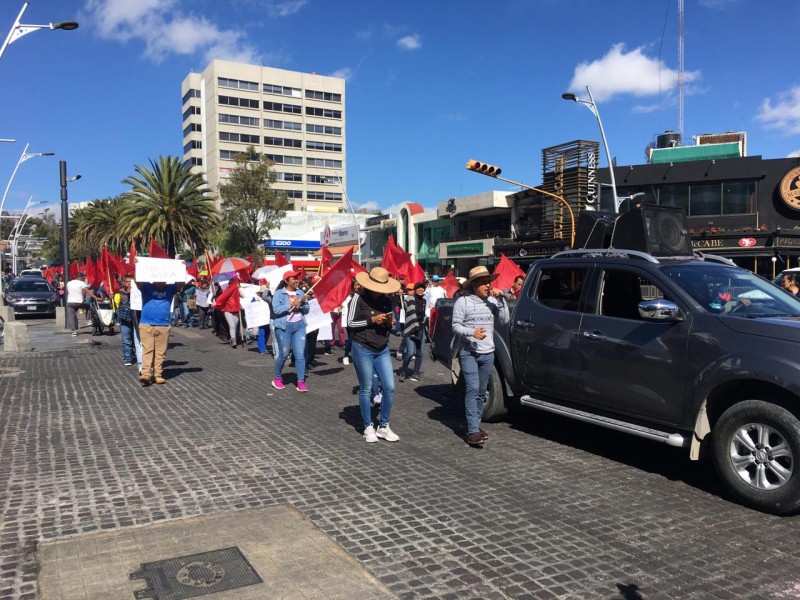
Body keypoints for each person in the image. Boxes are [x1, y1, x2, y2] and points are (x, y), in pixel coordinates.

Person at [452, 265, 510, 447]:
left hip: (488, 354)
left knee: (480, 392)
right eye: (484, 282)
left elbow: (505, 319)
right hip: (468, 352)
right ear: (474, 284)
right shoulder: (463, 302)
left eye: (489, 282)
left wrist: (501, 300)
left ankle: (476, 425)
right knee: (472, 389)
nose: (488, 285)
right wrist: (471, 332)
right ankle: (473, 431)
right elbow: (455, 326)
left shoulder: (492, 302)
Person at [347, 266, 402, 443]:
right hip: (362, 346)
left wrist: (389, 322)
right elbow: (350, 323)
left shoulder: (387, 300)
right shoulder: (358, 298)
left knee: (389, 387)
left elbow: (388, 323)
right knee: (366, 387)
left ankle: (384, 426)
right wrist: (372, 319)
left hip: (382, 347)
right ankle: (368, 426)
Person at [271, 270, 310, 392]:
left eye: (297, 278)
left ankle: (300, 381)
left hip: (299, 326)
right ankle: (277, 378)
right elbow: (276, 310)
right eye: (293, 278)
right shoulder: (279, 293)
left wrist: (302, 303)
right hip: (283, 327)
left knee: (299, 354)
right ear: (286, 281)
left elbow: (306, 310)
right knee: (284, 354)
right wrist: (291, 305)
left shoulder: (300, 292)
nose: (296, 280)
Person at [137, 279, 181, 385]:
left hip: (163, 326)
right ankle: (146, 374)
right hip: (146, 325)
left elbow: (180, 284)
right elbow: (138, 281)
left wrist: (181, 270)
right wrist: (137, 266)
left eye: (163, 281)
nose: (161, 283)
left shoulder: (170, 288)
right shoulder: (147, 286)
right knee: (148, 350)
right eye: (159, 281)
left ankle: (158, 374)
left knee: (160, 353)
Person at [399, 281, 426, 382]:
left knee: (420, 353)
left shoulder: (424, 301)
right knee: (410, 353)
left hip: (420, 329)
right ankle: (403, 370)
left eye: (422, 288)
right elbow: (403, 306)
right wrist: (401, 296)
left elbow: (422, 315)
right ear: (415, 290)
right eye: (418, 288)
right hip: (410, 328)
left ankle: (416, 372)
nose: (420, 290)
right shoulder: (409, 299)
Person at [65, 272, 103, 336]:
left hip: (70, 302)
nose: (84, 279)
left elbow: (68, 291)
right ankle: (88, 320)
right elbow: (88, 291)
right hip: (79, 302)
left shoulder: (69, 283)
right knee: (89, 307)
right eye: (83, 277)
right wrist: (96, 297)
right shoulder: (81, 283)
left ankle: (73, 332)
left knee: (72, 316)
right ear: (80, 277)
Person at [113, 275, 136, 366]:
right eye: (127, 282)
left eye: (131, 282)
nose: (129, 283)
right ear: (124, 283)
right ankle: (127, 358)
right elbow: (116, 304)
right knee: (126, 339)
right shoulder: (120, 292)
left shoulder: (138, 292)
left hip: (136, 319)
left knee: (135, 339)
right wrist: (113, 297)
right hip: (125, 319)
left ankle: (133, 353)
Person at [340, 278, 361, 365]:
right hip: (350, 321)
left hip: (360, 320)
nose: (357, 287)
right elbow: (343, 305)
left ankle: (357, 356)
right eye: (355, 285)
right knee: (351, 338)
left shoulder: (362, 295)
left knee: (359, 339)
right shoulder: (348, 295)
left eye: (358, 285)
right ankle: (346, 355)